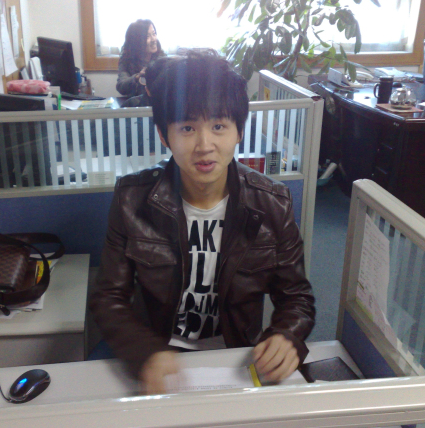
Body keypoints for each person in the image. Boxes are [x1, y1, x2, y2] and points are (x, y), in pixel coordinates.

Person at [90, 51, 315, 395]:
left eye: (219, 126)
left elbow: (297, 297)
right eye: (187, 128)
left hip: (235, 358)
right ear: (164, 135)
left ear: (239, 131)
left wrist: (287, 335)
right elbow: (108, 297)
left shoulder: (272, 203)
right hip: (159, 355)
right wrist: (145, 351)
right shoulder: (131, 200)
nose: (204, 145)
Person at [116, 19, 165, 97]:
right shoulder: (126, 60)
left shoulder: (162, 58)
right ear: (136, 41)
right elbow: (121, 86)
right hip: (137, 102)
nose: (153, 39)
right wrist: (137, 77)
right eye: (147, 36)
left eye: (154, 34)